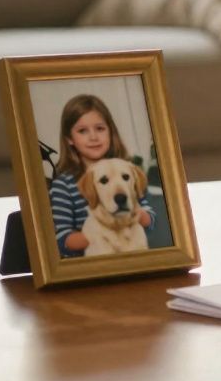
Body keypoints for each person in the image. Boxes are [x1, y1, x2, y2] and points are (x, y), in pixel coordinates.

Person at [49, 94, 155, 258]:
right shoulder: (63, 185)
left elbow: (149, 219)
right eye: (83, 131)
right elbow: (61, 240)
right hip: (91, 268)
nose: (93, 137)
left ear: (110, 132)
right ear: (69, 139)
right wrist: (99, 233)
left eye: (100, 128)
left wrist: (137, 215)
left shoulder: (127, 169)